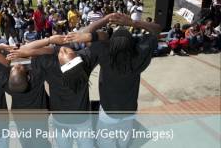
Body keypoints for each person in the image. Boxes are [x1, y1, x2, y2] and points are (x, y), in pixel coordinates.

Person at [65, 13, 162, 148]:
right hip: (129, 112)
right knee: (123, 143)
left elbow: (85, 34)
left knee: (106, 143)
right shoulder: (139, 55)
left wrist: (106, 19)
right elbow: (157, 29)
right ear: (132, 45)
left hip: (108, 114)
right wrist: (132, 23)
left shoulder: (105, 54)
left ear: (111, 45)